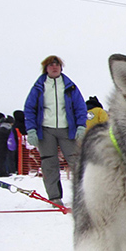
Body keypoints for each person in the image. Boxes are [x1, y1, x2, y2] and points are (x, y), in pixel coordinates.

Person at [24, 55, 87, 207]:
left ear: (61, 68)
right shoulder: (39, 87)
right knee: (49, 164)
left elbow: (80, 107)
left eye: (57, 65)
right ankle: (54, 197)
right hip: (46, 131)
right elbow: (29, 109)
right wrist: (31, 129)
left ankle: (83, 196)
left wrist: (81, 126)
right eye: (51, 65)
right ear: (46, 68)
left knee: (77, 163)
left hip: (67, 130)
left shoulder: (70, 86)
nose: (54, 67)